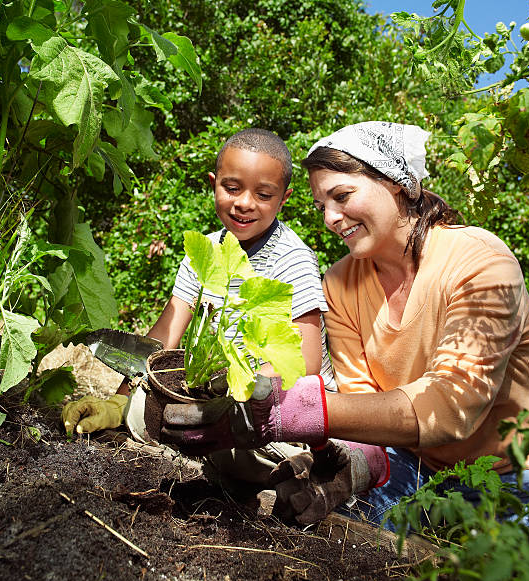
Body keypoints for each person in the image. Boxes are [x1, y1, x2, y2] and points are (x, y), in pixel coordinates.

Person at [158, 121, 529, 527]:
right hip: (409, 465)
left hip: (513, 473)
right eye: (321, 205)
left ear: (397, 183)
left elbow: (450, 407)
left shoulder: (481, 263)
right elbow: (361, 398)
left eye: (341, 196)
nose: (330, 218)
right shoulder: (341, 283)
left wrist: (288, 412)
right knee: (304, 518)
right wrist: (352, 464)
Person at [62, 127, 336, 485]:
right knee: (143, 412)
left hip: (280, 406)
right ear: (214, 184)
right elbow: (164, 339)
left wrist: (230, 393)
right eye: (232, 188)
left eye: (263, 194)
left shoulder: (294, 258)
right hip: (220, 398)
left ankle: (298, 465)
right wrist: (119, 401)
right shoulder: (203, 252)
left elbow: (303, 363)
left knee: (238, 451)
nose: (244, 203)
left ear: (283, 199)